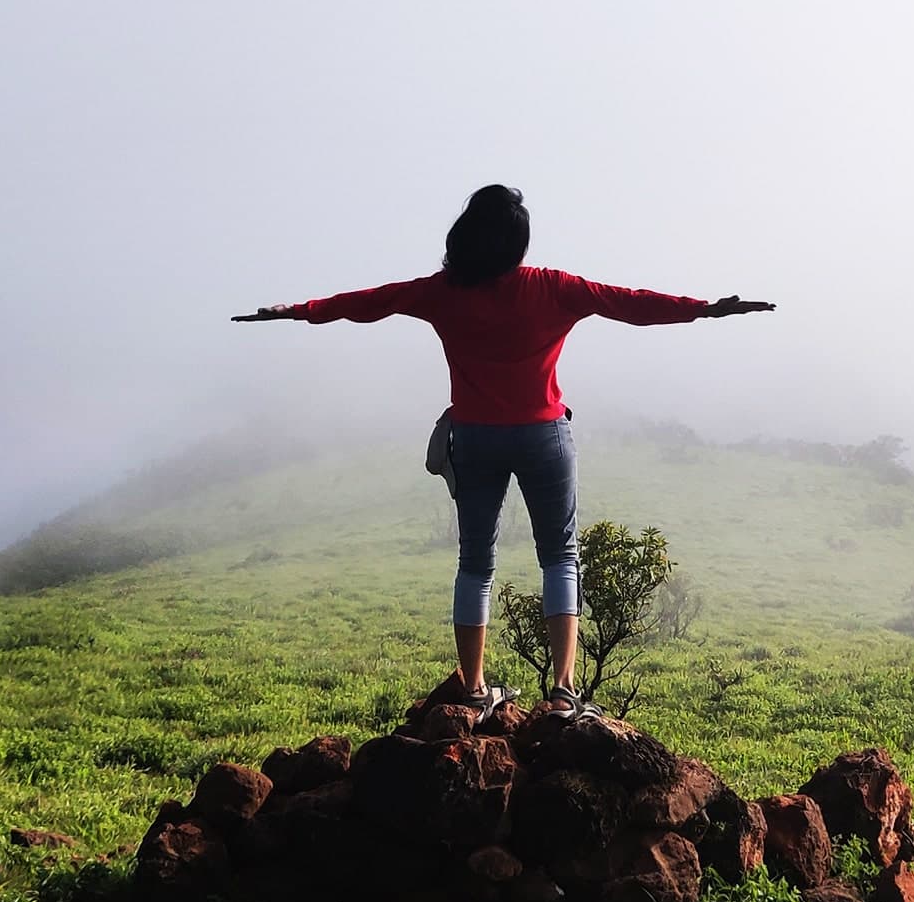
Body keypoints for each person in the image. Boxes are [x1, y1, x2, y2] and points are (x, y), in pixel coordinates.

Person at [232, 184, 773, 721]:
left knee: (475, 564)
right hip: (544, 435)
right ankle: (563, 692)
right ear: (519, 243)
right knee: (560, 557)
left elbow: (371, 302)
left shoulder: (442, 291)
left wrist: (299, 311)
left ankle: (473, 689)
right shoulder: (553, 287)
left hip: (475, 438)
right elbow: (629, 304)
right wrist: (704, 310)